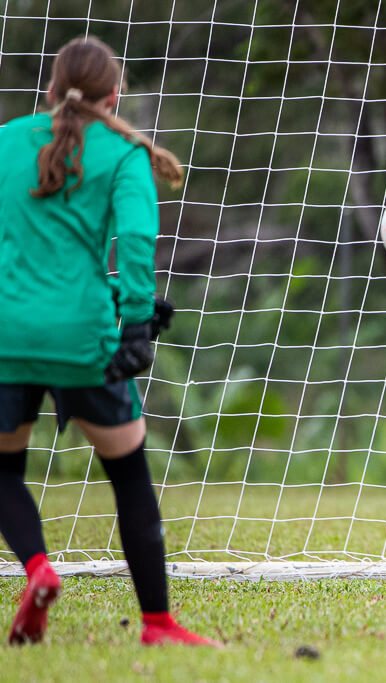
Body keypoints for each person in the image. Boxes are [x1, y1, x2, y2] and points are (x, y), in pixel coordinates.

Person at [0, 36, 219, 646]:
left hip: (7, 337)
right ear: (114, 95)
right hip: (83, 340)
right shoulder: (124, 154)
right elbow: (138, 242)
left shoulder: (6, 140)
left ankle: (38, 568)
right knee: (129, 476)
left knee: (4, 471)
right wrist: (139, 322)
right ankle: (157, 624)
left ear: (51, 89)